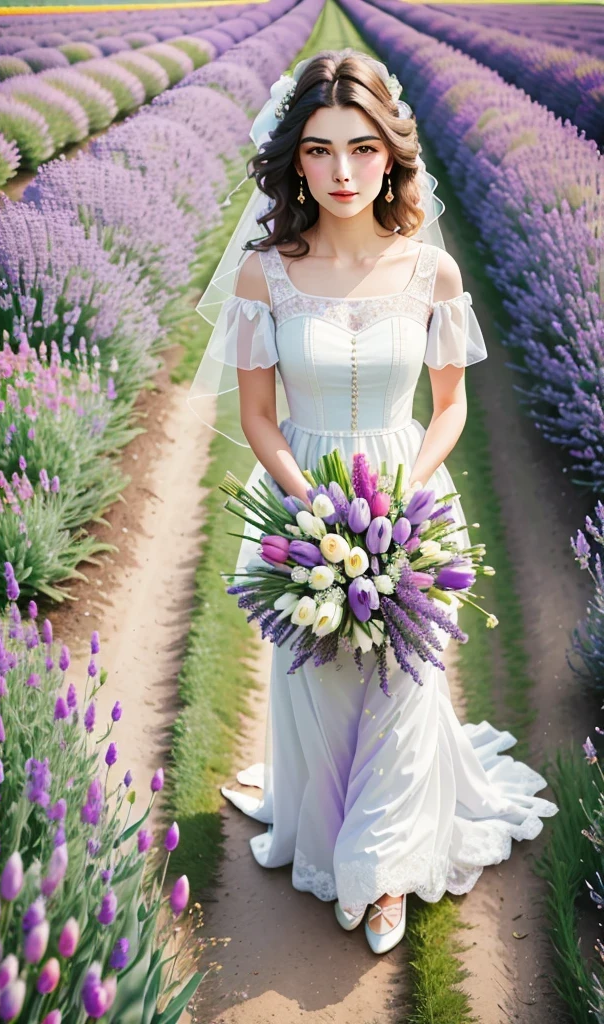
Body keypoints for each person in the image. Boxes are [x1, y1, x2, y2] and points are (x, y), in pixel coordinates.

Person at [188, 48, 559, 955]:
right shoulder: (262, 274)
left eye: (361, 148)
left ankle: (382, 865)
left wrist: (408, 488)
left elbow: (452, 403)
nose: (343, 171)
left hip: (408, 488)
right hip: (300, 495)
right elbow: (259, 417)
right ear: (295, 162)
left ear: (393, 153)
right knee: (315, 680)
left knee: (403, 676)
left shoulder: (430, 273)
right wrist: (310, 503)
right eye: (319, 150)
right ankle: (322, 829)